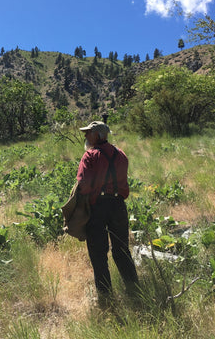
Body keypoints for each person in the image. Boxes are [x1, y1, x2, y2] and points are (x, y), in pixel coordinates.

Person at [76, 121, 139, 303]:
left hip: (98, 208)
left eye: (88, 133)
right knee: (122, 250)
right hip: (118, 206)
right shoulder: (121, 155)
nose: (86, 136)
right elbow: (124, 183)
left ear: (98, 135)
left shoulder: (89, 156)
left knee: (98, 253)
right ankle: (134, 291)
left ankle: (106, 298)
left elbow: (83, 184)